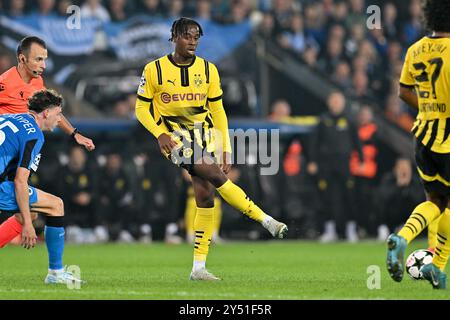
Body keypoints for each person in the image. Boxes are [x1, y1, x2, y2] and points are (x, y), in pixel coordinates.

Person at [135, 17, 288, 281]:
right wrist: (159, 133)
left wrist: (225, 147)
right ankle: (266, 221)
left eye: (196, 36)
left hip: (205, 138)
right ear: (174, 37)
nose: (192, 41)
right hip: (174, 139)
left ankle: (198, 268)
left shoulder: (209, 70)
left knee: (205, 198)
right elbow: (140, 109)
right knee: (218, 177)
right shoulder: (153, 70)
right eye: (186, 35)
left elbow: (217, 110)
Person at [386, 0, 450, 289]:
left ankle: (402, 237)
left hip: (423, 134)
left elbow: (403, 91)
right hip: (448, 139)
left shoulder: (415, 49)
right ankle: (438, 267)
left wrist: (427, 108)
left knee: (435, 200)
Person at [0, 89, 84, 284]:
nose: (59, 119)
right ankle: (55, 273)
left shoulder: (13, 118)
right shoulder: (34, 135)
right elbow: (20, 181)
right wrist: (29, 226)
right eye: (58, 113)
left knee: (28, 212)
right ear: (46, 113)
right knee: (55, 205)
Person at [0, 36, 95, 151]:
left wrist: (75, 134)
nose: (43, 65)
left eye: (44, 59)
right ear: (22, 59)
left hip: (19, 150)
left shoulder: (37, 81)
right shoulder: (5, 84)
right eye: (38, 59)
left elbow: (52, 111)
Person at [307, 91, 363, 242]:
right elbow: (314, 143)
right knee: (327, 197)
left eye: (338, 101)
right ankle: (329, 229)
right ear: (328, 103)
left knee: (349, 196)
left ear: (343, 103)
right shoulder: (323, 120)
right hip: (326, 164)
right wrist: (312, 161)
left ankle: (351, 229)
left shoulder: (349, 120)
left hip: (345, 164)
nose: (335, 104)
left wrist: (361, 159)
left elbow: (357, 141)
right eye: (333, 101)